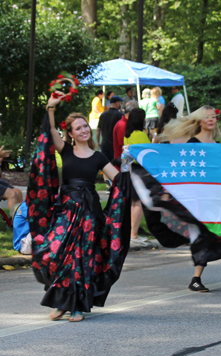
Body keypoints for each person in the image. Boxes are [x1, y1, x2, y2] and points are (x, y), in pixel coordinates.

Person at [27, 91, 131, 322]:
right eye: (78, 128)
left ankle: (76, 306)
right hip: (66, 210)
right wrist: (51, 107)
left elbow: (118, 180)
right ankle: (62, 302)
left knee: (82, 257)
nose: (84, 130)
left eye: (85, 126)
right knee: (60, 253)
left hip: (89, 211)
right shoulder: (65, 150)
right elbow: (49, 132)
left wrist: (126, 163)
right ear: (71, 133)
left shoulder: (98, 157)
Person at [162, 106, 221, 292]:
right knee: (208, 234)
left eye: (214, 117)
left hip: (218, 197)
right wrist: (169, 191)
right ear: (199, 121)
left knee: (218, 232)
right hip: (200, 198)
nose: (211, 120)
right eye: (207, 117)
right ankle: (196, 278)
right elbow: (183, 171)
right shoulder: (192, 144)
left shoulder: (218, 145)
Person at [124, 108, 151, 248]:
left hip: (130, 169)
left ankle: (131, 233)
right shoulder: (141, 134)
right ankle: (133, 234)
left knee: (133, 203)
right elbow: (149, 152)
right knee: (138, 204)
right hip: (140, 170)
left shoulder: (127, 134)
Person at [97, 95, 124, 171]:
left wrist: (98, 142)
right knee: (116, 167)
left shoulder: (103, 114)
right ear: (117, 103)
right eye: (120, 103)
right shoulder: (120, 115)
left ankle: (107, 182)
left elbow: (98, 129)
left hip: (104, 144)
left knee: (106, 167)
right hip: (115, 146)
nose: (121, 104)